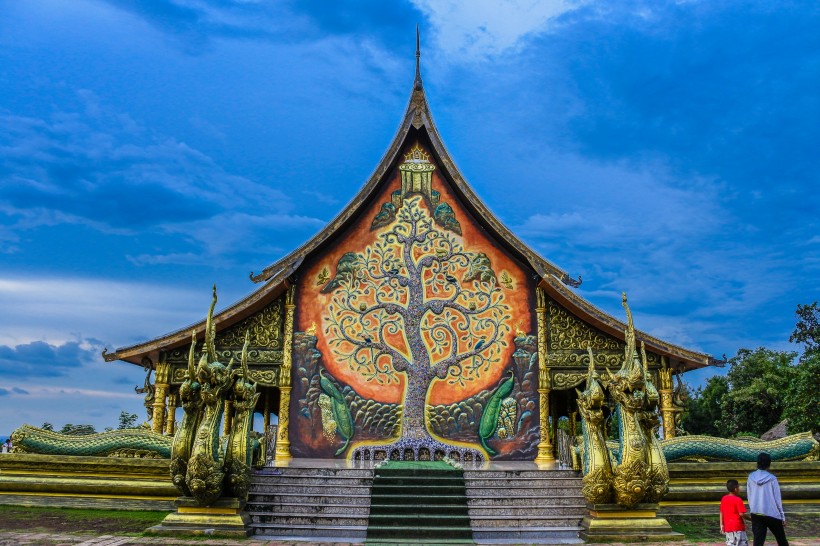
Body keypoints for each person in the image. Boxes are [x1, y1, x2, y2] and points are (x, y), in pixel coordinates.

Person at [747, 452, 788, 546]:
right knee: (781, 539)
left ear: (757, 463)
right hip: (771, 512)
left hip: (756, 512)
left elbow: (749, 496)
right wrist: (782, 516)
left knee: (758, 542)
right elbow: (777, 499)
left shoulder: (751, 477)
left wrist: (752, 509)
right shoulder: (772, 478)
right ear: (769, 464)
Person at [720, 479, 750, 546]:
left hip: (728, 528)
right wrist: (750, 519)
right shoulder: (738, 500)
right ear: (736, 489)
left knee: (731, 543)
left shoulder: (724, 498)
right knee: (742, 543)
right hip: (738, 527)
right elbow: (741, 514)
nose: (739, 489)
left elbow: (721, 512)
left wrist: (721, 525)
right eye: (739, 487)